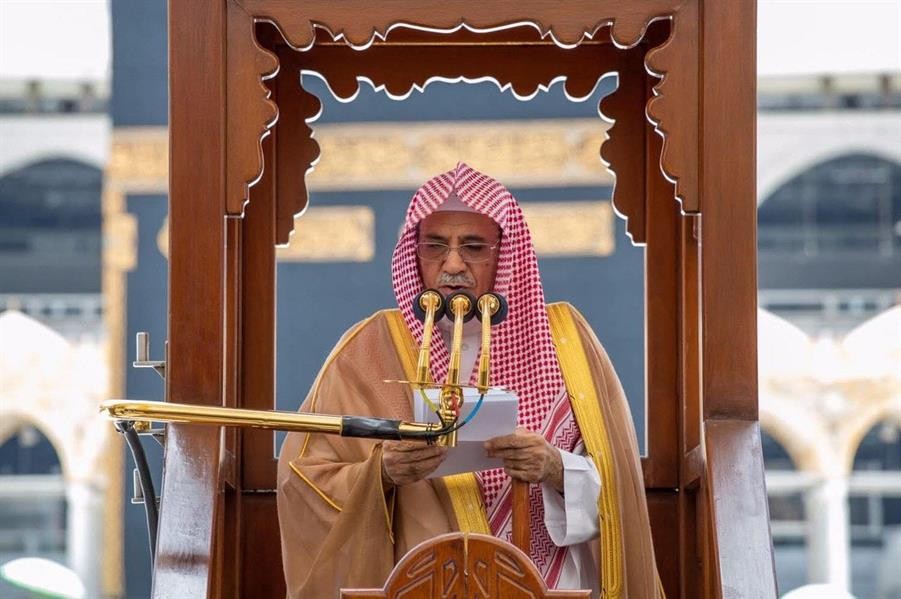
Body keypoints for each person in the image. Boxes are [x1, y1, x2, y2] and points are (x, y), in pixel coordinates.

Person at [276, 163, 662, 597]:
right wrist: (380, 473)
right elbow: (303, 482)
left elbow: (619, 494)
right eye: (435, 246)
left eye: (474, 247)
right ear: (414, 254)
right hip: (423, 585)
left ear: (506, 254)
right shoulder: (368, 349)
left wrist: (557, 469)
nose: (453, 264)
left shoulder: (567, 340)